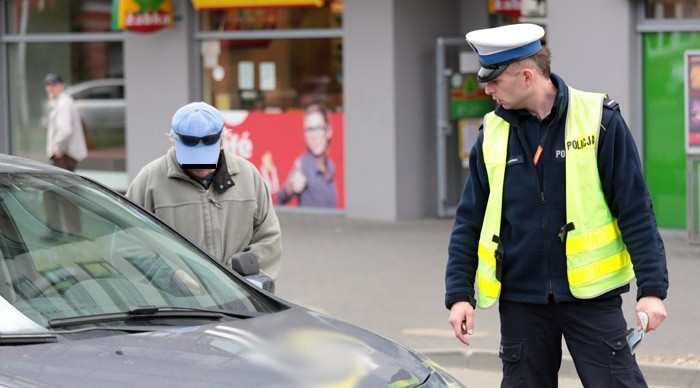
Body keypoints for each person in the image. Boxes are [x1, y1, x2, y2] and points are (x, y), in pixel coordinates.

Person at [444, 24, 669, 387]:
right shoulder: (491, 135)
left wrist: (652, 290)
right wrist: (459, 295)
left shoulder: (600, 120)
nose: (486, 90)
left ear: (527, 75)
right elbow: (469, 221)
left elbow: (635, 210)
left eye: (494, 82)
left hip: (592, 298)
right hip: (522, 301)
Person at [126, 102, 282, 280]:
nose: (199, 165)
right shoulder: (148, 181)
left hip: (240, 300)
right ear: (173, 141)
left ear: (222, 142)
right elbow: (128, 243)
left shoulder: (249, 177)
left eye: (205, 156)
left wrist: (236, 281)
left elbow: (269, 238)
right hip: (175, 304)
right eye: (191, 157)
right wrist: (169, 276)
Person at [277, 102, 338, 208]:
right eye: (309, 129)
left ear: (328, 131)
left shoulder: (330, 166)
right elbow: (280, 199)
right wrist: (291, 186)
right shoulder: (303, 165)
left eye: (319, 128)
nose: (314, 135)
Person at [43, 72, 88, 171]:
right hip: (65, 153)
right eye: (48, 85)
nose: (50, 88)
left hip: (64, 154)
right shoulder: (59, 101)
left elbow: (65, 130)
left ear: (62, 85)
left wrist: (58, 148)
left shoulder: (64, 103)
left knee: (60, 185)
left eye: (54, 85)